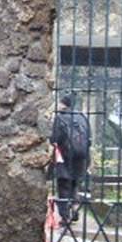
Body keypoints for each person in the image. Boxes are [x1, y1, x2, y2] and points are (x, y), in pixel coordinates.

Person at [50, 93, 91, 224]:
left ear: (63, 104)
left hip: (65, 156)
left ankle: (65, 216)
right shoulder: (82, 117)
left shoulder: (60, 117)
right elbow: (89, 139)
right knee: (75, 183)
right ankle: (74, 207)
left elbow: (55, 138)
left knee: (63, 185)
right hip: (80, 157)